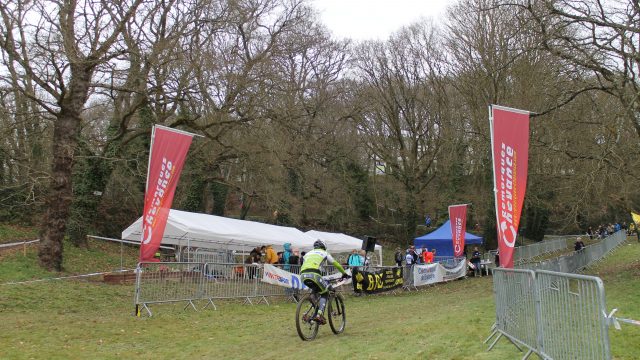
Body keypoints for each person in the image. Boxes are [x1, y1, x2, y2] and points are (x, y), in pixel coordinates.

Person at [300, 239, 350, 325]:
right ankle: (319, 315)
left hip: (303, 275)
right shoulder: (324, 253)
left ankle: (310, 314)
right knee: (324, 293)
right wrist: (344, 273)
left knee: (315, 291)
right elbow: (336, 264)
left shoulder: (307, 254)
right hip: (315, 275)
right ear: (324, 247)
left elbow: (303, 263)